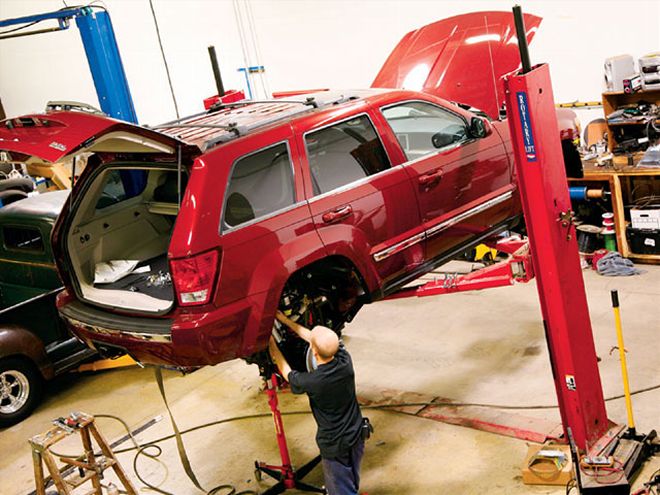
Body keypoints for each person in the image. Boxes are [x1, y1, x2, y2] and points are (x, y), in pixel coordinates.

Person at [268, 310, 366, 495]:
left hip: (334, 446)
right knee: (351, 479)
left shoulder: (313, 381)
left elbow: (285, 370)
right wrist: (285, 320)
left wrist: (271, 344)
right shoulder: (345, 361)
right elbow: (312, 338)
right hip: (356, 435)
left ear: (312, 350)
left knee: (340, 490)